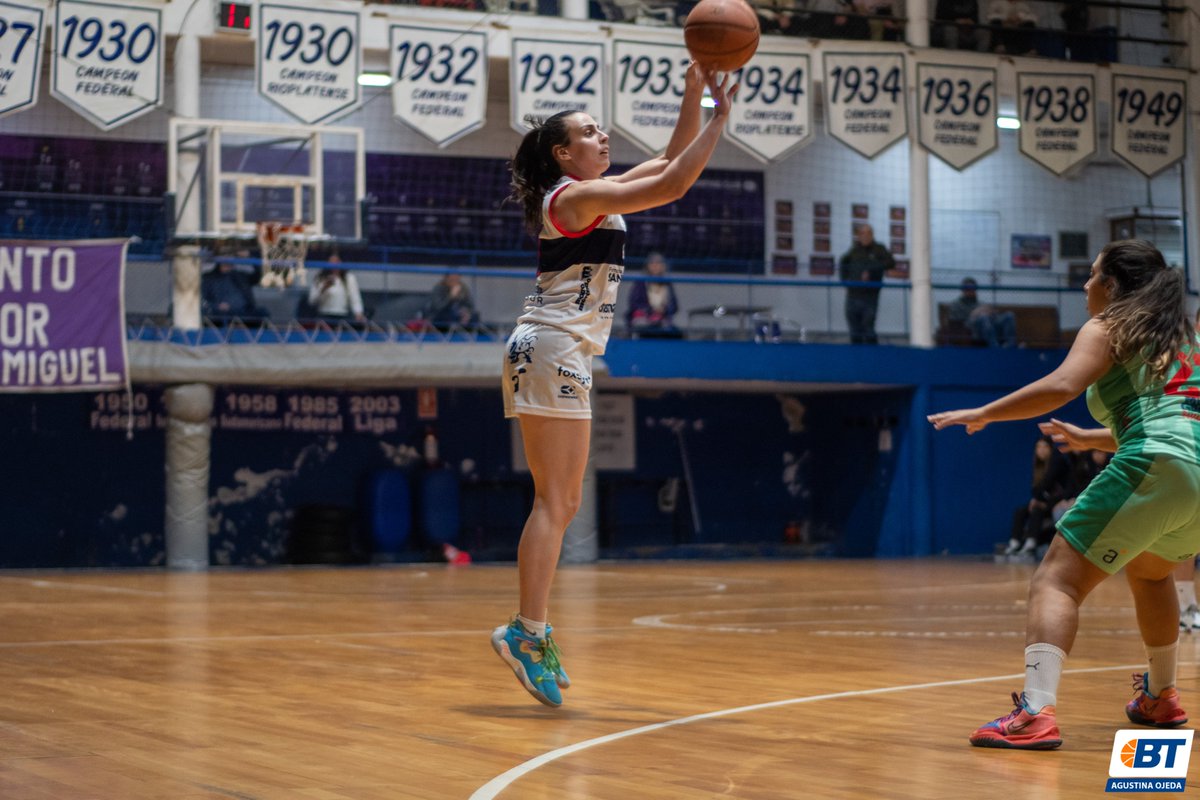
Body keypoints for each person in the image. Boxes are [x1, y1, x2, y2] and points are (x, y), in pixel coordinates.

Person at [494, 64, 736, 708]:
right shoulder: (571, 199)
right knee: (555, 503)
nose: (604, 138)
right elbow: (678, 181)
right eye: (591, 132)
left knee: (562, 502)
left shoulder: (591, 191)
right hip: (550, 348)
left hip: (556, 351)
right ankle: (526, 632)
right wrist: (719, 117)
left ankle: (532, 630)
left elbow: (665, 161)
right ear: (562, 153)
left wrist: (692, 96)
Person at [929, 239, 1199, 749]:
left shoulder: (1110, 324)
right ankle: (1161, 696)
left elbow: (1061, 385)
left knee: (1056, 581)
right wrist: (1092, 439)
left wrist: (984, 412)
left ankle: (1035, 713)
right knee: (1151, 571)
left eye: (1093, 275)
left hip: (1156, 464)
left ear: (1113, 286)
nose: (1085, 285)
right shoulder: (1182, 338)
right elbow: (1177, 423)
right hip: (1196, 476)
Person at [1004, 436, 1069, 557]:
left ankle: (1031, 543)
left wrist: (1042, 502)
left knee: (1037, 510)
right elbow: (1036, 489)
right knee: (1021, 511)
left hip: (1060, 502)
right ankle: (1015, 542)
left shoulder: (1057, 462)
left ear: (1051, 449)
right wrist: (1036, 499)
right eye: (1038, 447)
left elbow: (1049, 484)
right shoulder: (1038, 467)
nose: (1041, 450)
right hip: (1044, 501)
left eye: (1045, 447)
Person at [838, 224, 893, 345]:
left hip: (870, 296)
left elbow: (890, 262)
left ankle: (873, 357)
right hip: (853, 295)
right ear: (858, 236)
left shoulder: (879, 249)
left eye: (868, 233)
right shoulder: (854, 250)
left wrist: (871, 270)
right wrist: (845, 281)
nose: (865, 236)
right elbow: (843, 262)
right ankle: (855, 357)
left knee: (868, 327)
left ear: (872, 235)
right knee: (854, 329)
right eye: (862, 233)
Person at [948, 277, 1018, 347]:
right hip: (970, 329)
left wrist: (992, 312)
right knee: (984, 317)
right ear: (963, 290)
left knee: (1009, 315)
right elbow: (957, 322)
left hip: (988, 325)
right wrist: (974, 314)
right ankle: (995, 347)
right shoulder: (956, 304)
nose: (970, 291)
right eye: (967, 288)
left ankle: (1010, 346)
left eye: (972, 288)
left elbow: (993, 315)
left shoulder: (981, 303)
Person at [625, 252, 681, 337]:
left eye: (658, 263)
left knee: (677, 334)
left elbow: (674, 306)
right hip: (644, 319)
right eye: (652, 263)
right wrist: (651, 310)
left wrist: (664, 310)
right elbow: (634, 303)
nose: (655, 266)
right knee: (645, 329)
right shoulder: (640, 283)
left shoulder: (667, 283)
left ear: (663, 266)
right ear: (647, 266)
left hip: (662, 319)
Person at [201, 256, 268, 325]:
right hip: (220, 314)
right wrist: (216, 306)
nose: (227, 259)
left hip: (242, 312)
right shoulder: (208, 278)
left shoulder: (240, 275)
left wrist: (248, 256)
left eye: (230, 256)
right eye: (225, 256)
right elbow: (202, 301)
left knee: (263, 313)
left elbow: (258, 275)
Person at [308, 255, 366, 324]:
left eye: (337, 262)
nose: (334, 265)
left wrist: (358, 313)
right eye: (331, 262)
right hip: (324, 315)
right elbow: (312, 301)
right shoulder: (320, 278)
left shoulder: (349, 278)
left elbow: (354, 297)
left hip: (343, 315)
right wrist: (323, 288)